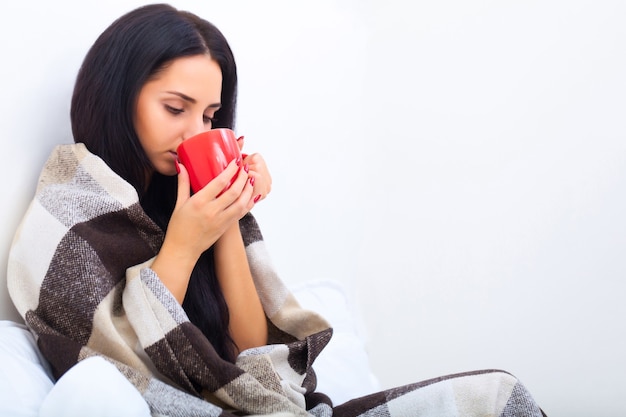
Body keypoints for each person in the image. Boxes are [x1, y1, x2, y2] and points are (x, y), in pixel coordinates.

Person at [8, 3, 547, 416]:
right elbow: (127, 372)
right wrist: (183, 243)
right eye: (175, 108)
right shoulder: (67, 214)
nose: (197, 132)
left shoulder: (183, 197)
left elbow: (251, 354)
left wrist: (227, 219)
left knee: (497, 395)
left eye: (212, 116)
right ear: (117, 97)